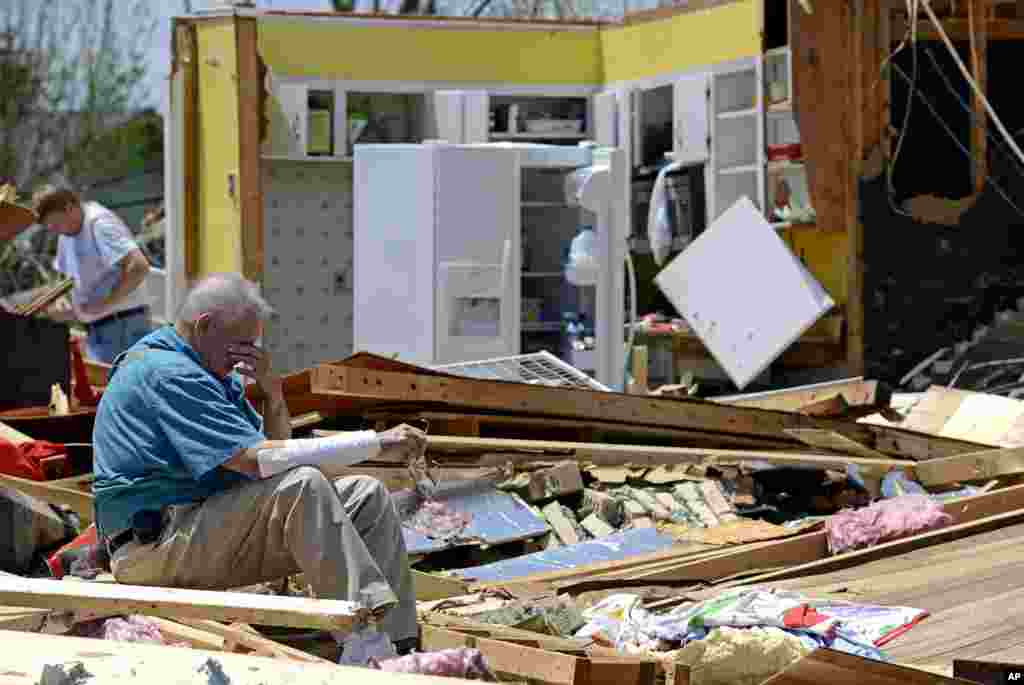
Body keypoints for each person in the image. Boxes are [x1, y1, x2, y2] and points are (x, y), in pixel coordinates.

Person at [91, 272, 424, 659]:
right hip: (153, 551)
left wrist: (273, 394)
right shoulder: (168, 373)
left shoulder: (207, 371)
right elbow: (260, 462)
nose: (247, 356)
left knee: (366, 494)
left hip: (197, 530)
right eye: (242, 344)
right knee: (303, 486)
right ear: (205, 326)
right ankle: (365, 644)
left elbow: (272, 456)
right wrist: (375, 442)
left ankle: (399, 643)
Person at [33, 185, 152, 362]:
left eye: (56, 224)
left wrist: (105, 304)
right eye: (50, 228)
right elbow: (64, 278)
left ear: (69, 208)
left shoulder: (100, 224)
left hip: (122, 325)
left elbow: (139, 266)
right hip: (98, 329)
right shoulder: (66, 234)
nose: (55, 231)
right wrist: (62, 300)